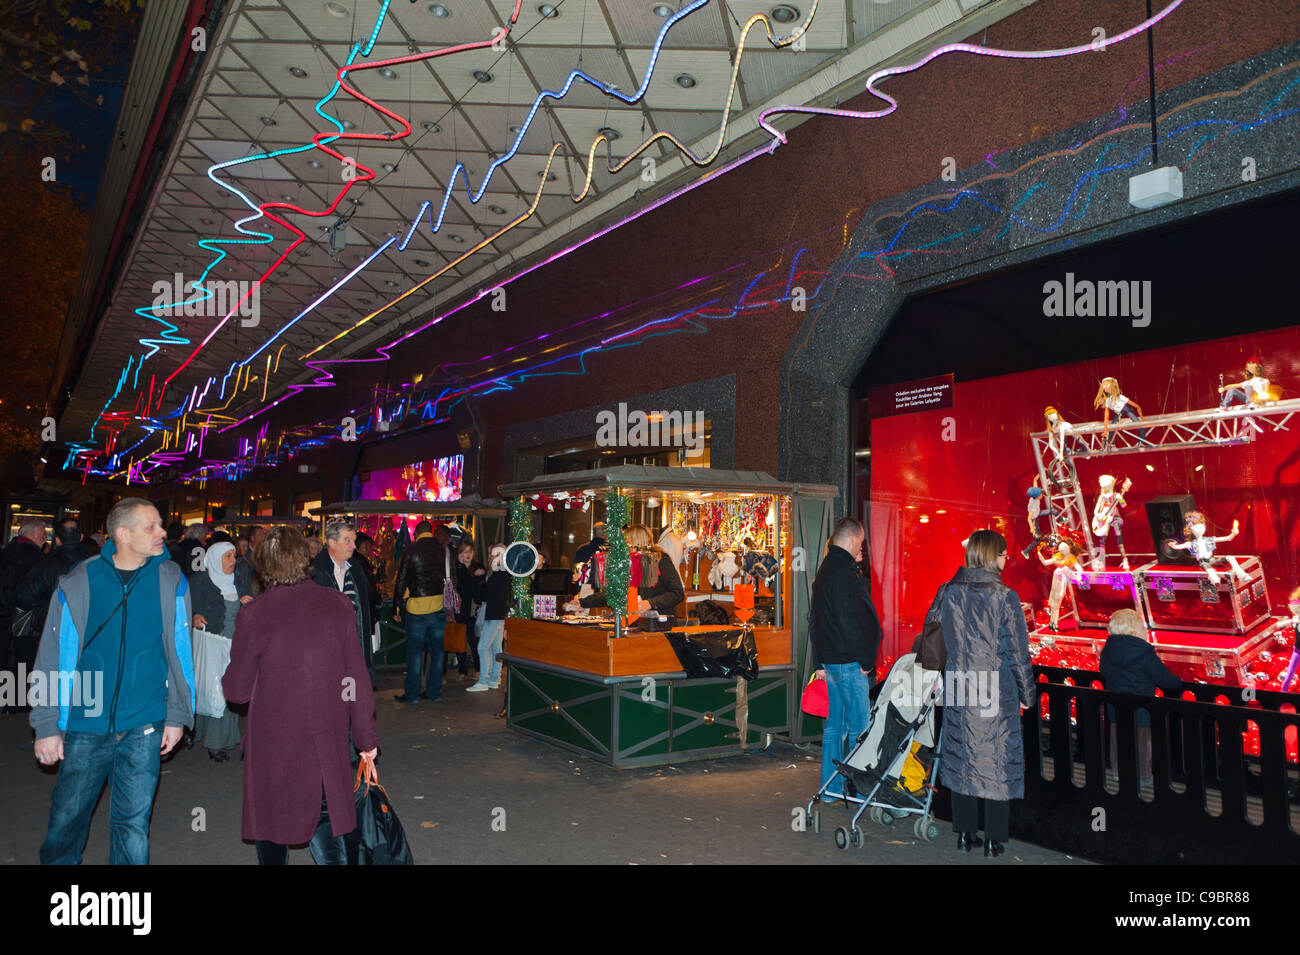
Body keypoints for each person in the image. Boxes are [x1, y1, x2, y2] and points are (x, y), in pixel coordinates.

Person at [29, 498, 195, 865]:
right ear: (122, 534)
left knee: (133, 824)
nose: (162, 533)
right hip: (85, 722)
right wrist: (46, 724)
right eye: (151, 526)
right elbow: (50, 657)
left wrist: (177, 715)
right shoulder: (79, 581)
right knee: (68, 820)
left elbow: (181, 654)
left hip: (145, 722)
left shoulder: (171, 581)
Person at [221, 527, 378, 864]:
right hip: (326, 739)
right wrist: (366, 739)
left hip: (273, 745)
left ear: (264, 566)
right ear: (306, 559)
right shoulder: (337, 606)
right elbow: (355, 678)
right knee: (330, 827)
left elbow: (236, 690)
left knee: (272, 826)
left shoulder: (254, 614)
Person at [927, 529, 1035, 857]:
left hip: (960, 689)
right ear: (991, 556)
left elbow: (931, 643)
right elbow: (1018, 652)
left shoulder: (947, 592)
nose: (1006, 560)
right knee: (995, 761)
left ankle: (964, 833)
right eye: (1003, 554)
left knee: (963, 756)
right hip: (996, 692)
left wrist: (939, 678)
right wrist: (1028, 695)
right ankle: (993, 839)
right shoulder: (1005, 598)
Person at [809, 517, 881, 803]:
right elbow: (852, 622)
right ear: (852, 541)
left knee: (834, 727)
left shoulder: (825, 571)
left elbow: (816, 622)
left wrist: (819, 663)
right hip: (849, 661)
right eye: (861, 543)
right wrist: (865, 659)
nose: (862, 549)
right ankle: (859, 790)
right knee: (860, 729)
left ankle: (831, 789)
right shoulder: (844, 575)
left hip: (831, 661)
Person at [10, 520, 88, 708]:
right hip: (86, 630)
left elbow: (24, 597)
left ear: (58, 540)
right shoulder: (96, 564)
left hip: (50, 627)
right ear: (82, 538)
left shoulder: (48, 565)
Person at [1098, 608, 1180, 785]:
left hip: (1116, 707)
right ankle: (1143, 775)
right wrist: (1178, 682)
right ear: (1135, 632)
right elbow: (1162, 677)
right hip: (1141, 709)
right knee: (1142, 742)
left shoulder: (1108, 649)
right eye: (1144, 628)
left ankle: (1118, 772)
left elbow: (1102, 669)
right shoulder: (1144, 653)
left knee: (1117, 740)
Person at [189, 541, 248, 762]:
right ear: (214, 559)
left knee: (227, 691)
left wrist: (248, 604)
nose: (233, 561)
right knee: (211, 690)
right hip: (210, 644)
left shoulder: (240, 582)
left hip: (235, 645)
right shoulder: (200, 581)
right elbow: (187, 607)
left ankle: (219, 739)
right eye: (228, 556)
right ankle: (205, 736)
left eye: (234, 556)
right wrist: (194, 615)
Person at [310, 520, 376, 686]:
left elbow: (365, 610)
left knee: (350, 697)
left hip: (353, 647)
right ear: (332, 542)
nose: (353, 546)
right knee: (330, 700)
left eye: (354, 541)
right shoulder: (315, 571)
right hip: (326, 653)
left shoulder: (356, 569)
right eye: (348, 540)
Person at [565, 523, 684, 615]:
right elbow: (613, 593)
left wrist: (651, 603)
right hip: (636, 623)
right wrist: (582, 602)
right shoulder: (629, 564)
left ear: (637, 542)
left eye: (627, 542)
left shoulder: (661, 561)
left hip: (659, 624)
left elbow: (677, 592)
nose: (624, 547)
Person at [392, 521, 449, 703]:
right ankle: (434, 692)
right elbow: (452, 578)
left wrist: (396, 606)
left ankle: (412, 694)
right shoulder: (444, 550)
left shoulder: (411, 551)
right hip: (439, 607)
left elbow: (401, 580)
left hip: (416, 608)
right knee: (437, 652)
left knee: (415, 653)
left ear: (416, 533)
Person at [469, 543, 510, 692]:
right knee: (495, 648)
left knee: (483, 647)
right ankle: (493, 679)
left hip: (494, 615)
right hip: (497, 615)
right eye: (492, 554)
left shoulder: (498, 575)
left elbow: (487, 595)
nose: (493, 557)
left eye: (497, 554)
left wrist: (481, 585)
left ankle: (484, 681)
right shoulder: (501, 574)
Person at [453, 540, 484, 682]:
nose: (468, 555)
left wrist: (479, 575)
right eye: (464, 552)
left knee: (473, 641)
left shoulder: (478, 567)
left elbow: (475, 588)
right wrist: (460, 566)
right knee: (460, 641)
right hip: (459, 610)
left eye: (470, 552)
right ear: (460, 554)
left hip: (473, 611)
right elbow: (460, 584)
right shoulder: (457, 568)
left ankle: (478, 669)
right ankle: (462, 670)